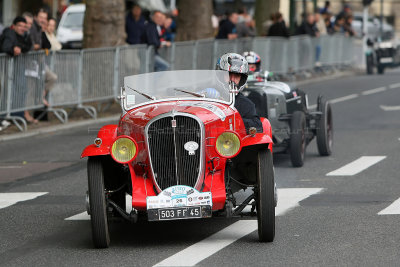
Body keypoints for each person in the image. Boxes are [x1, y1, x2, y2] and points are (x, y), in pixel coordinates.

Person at [0, 16, 35, 123]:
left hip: (16, 68)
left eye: (24, 26)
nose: (22, 28)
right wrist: (12, 49)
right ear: (14, 26)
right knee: (6, 91)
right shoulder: (9, 33)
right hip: (5, 67)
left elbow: (27, 47)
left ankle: (16, 114)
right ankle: (5, 115)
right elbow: (6, 47)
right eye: (19, 25)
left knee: (20, 89)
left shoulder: (24, 35)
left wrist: (19, 47)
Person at [216, 53, 263, 132]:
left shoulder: (246, 104)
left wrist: (233, 120)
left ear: (242, 79)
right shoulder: (207, 95)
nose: (232, 79)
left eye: (237, 76)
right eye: (229, 74)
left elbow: (257, 126)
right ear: (220, 75)